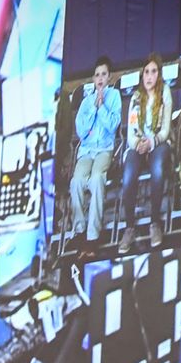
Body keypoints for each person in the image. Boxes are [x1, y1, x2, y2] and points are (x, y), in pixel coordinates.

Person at [119, 54, 173, 253]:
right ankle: (129, 228)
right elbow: (130, 132)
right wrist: (138, 144)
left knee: (157, 170)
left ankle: (155, 223)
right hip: (138, 144)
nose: (149, 76)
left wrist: (151, 143)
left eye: (154, 72)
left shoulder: (165, 92)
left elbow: (166, 129)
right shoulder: (136, 97)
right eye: (146, 72)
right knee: (128, 175)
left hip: (159, 142)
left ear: (159, 74)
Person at [69, 55, 122, 245]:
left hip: (104, 149)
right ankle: (79, 229)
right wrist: (93, 108)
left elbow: (113, 125)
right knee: (76, 181)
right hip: (86, 151)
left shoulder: (114, 96)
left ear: (109, 77)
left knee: (97, 178)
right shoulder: (86, 102)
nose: (100, 78)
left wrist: (102, 108)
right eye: (97, 75)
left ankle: (93, 234)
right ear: (93, 78)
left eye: (104, 74)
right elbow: (81, 131)